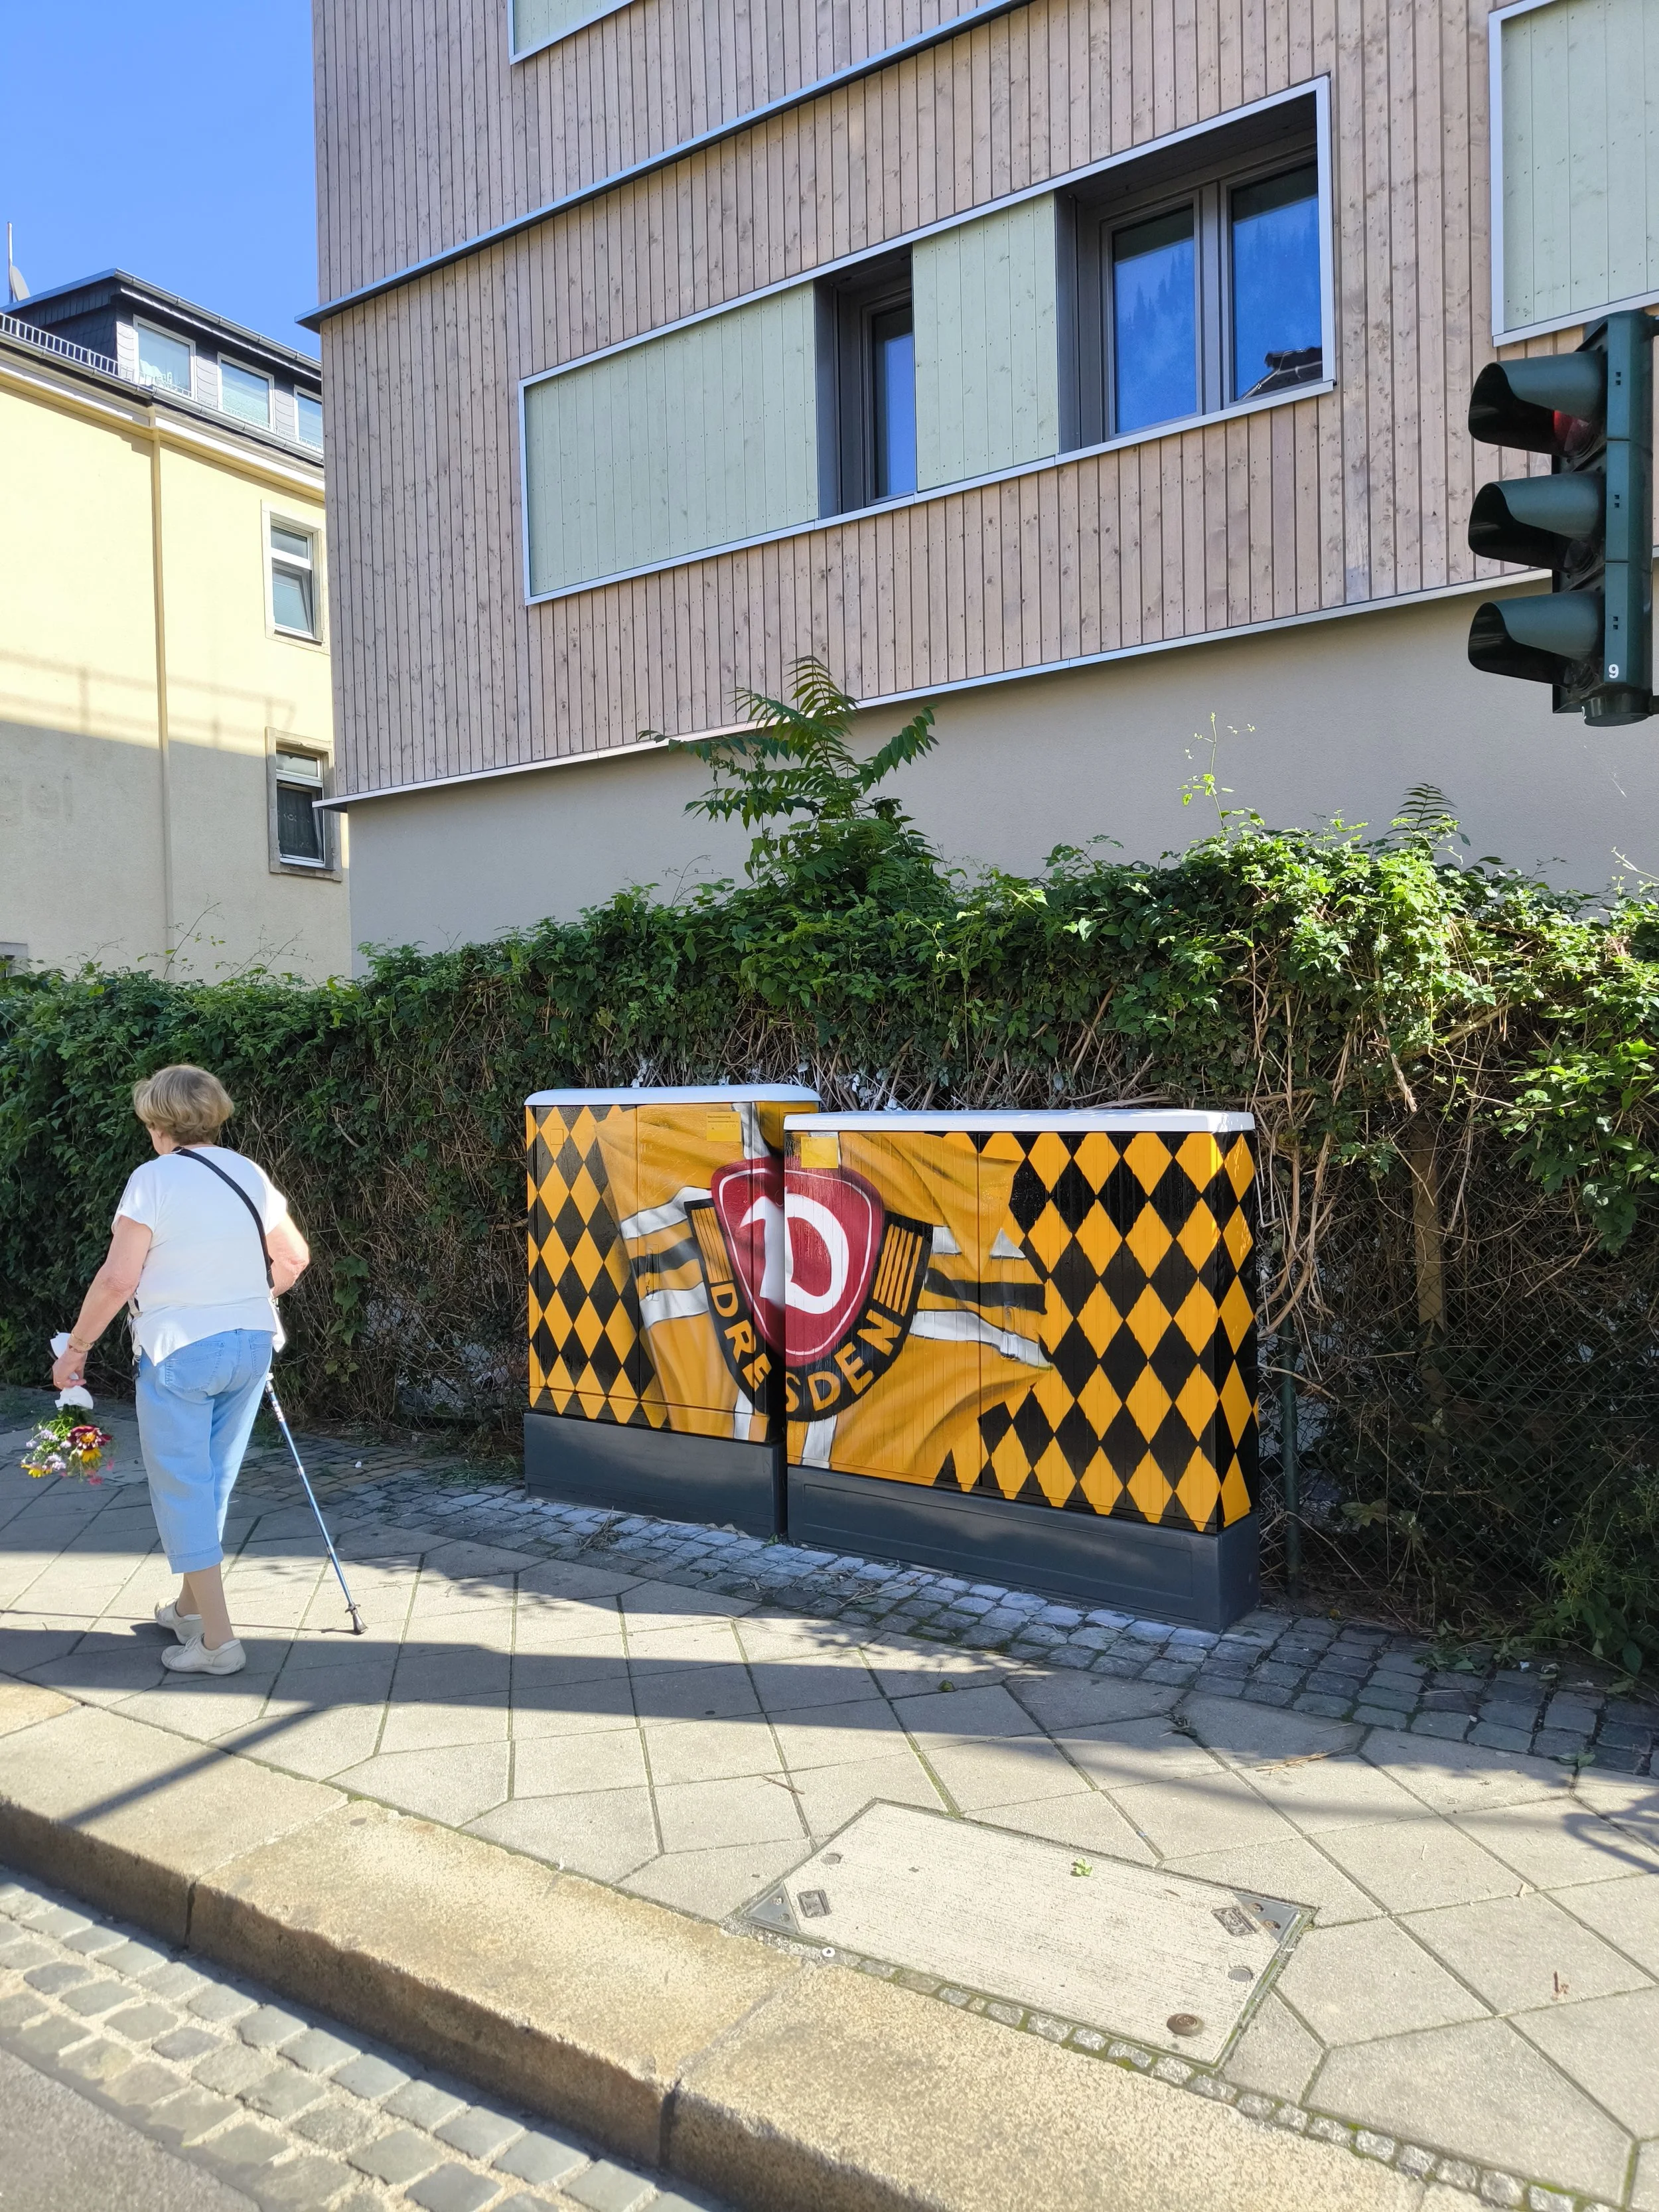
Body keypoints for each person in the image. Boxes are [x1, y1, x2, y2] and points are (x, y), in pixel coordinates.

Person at [50, 1066, 309, 1676]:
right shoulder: (248, 1171)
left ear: (158, 1123)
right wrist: (240, 1297)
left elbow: (118, 1279)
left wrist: (77, 1348)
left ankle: (218, 1642)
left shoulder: (152, 1180)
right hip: (251, 1342)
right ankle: (190, 1608)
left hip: (179, 1350)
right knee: (211, 1478)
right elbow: (293, 1258)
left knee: (183, 1486)